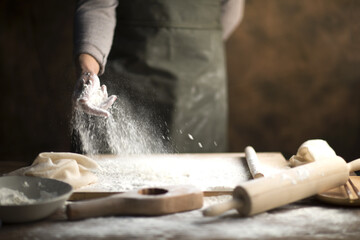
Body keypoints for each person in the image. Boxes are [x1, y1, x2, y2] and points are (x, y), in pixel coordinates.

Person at [72, 0, 245, 153]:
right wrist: (89, 72)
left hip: (202, 82)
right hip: (130, 72)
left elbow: (232, 9)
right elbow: (98, 6)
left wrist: (200, 41)